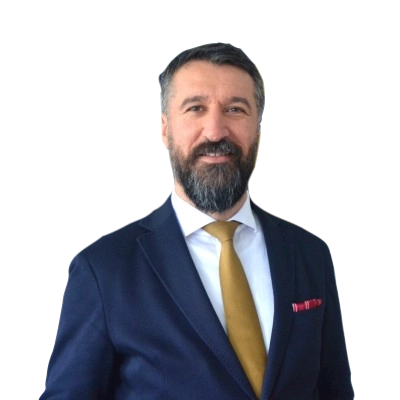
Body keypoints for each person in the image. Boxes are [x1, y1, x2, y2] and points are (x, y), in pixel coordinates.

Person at [40, 42, 354, 399]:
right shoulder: (103, 268)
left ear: (258, 128)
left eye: (235, 109)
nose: (215, 132)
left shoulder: (309, 253)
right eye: (195, 108)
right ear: (165, 129)